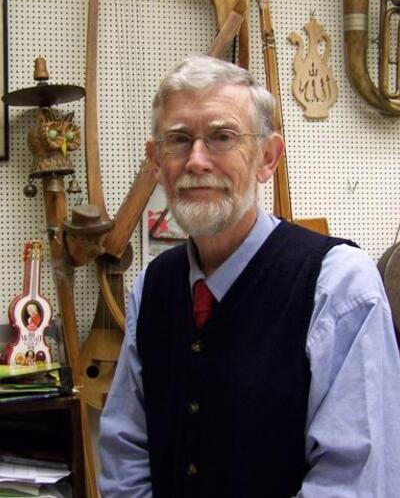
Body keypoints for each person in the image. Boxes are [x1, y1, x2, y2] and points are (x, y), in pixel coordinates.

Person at [99, 55, 400, 497]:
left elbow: (356, 481)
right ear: (157, 163)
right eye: (179, 140)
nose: (196, 160)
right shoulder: (152, 288)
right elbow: (125, 450)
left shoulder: (338, 287)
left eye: (222, 137)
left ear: (267, 157)